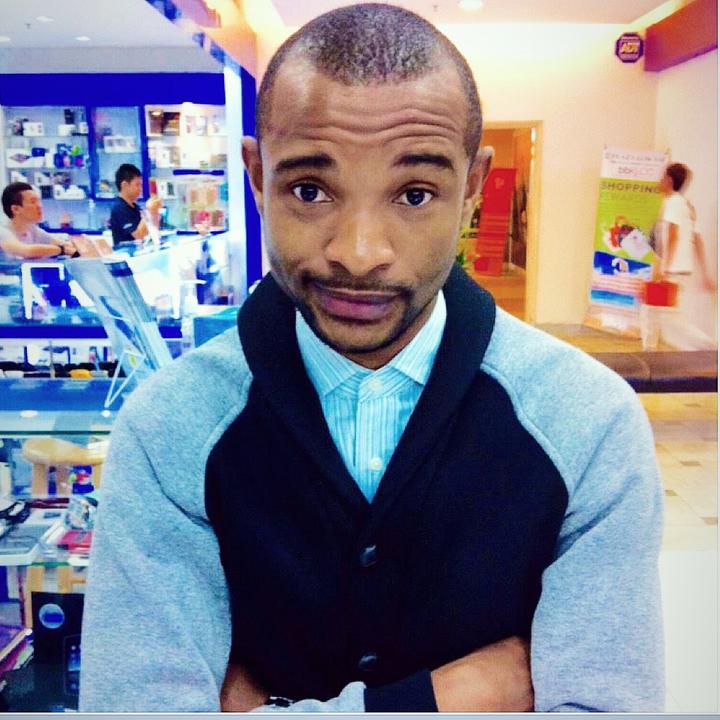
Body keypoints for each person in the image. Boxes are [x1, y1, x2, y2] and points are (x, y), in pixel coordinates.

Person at [80, 4, 664, 713]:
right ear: (256, 175)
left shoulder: (586, 422)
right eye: (310, 190)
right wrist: (455, 695)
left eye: (414, 194)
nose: (359, 253)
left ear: (472, 187)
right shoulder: (170, 428)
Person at [652, 162, 716, 349]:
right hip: (683, 269)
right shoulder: (687, 206)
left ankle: (710, 346)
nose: (660, 181)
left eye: (663, 177)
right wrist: (705, 274)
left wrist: (664, 268)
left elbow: (674, 235)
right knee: (670, 318)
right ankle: (704, 349)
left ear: (669, 180)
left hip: (674, 269)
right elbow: (697, 240)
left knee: (671, 319)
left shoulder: (672, 202)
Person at [0, 182, 77, 261]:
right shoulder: (3, 231)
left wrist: (71, 247)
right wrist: (61, 250)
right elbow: (26, 251)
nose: (39, 206)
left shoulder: (32, 230)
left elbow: (63, 244)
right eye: (33, 202)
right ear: (15, 209)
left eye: (38, 201)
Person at [109, 164, 149, 246]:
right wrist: (150, 211)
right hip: (125, 252)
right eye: (137, 185)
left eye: (141, 185)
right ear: (125, 185)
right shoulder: (119, 209)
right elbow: (138, 235)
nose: (140, 189)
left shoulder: (136, 207)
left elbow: (147, 232)